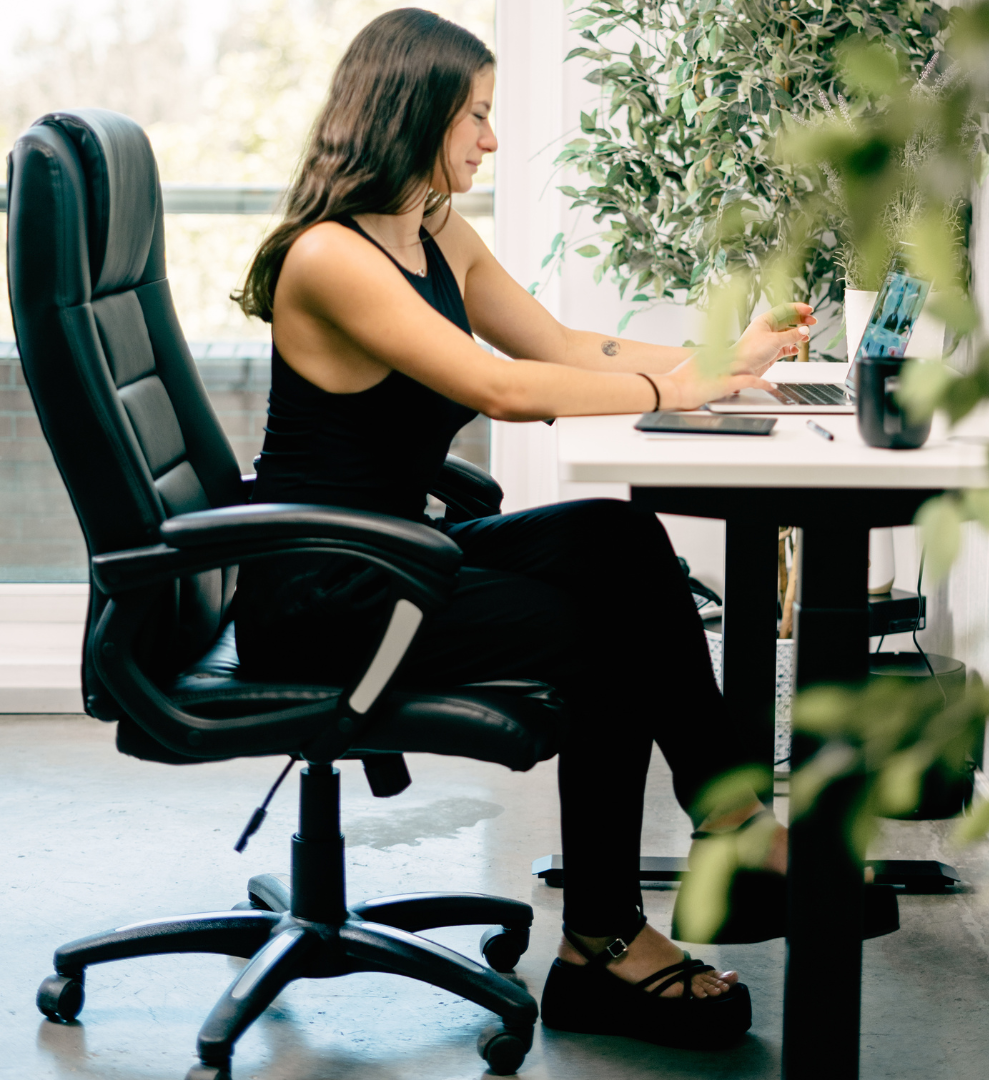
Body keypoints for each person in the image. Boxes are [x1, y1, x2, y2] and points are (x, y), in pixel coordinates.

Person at [233, 7, 814, 1050]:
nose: (490, 141)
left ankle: (728, 820)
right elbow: (500, 388)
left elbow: (555, 343)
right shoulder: (330, 257)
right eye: (476, 117)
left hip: (398, 556)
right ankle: (604, 943)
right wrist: (671, 393)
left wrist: (718, 362)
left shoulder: (431, 228)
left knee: (619, 542)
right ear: (413, 113)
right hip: (328, 597)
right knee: (605, 629)